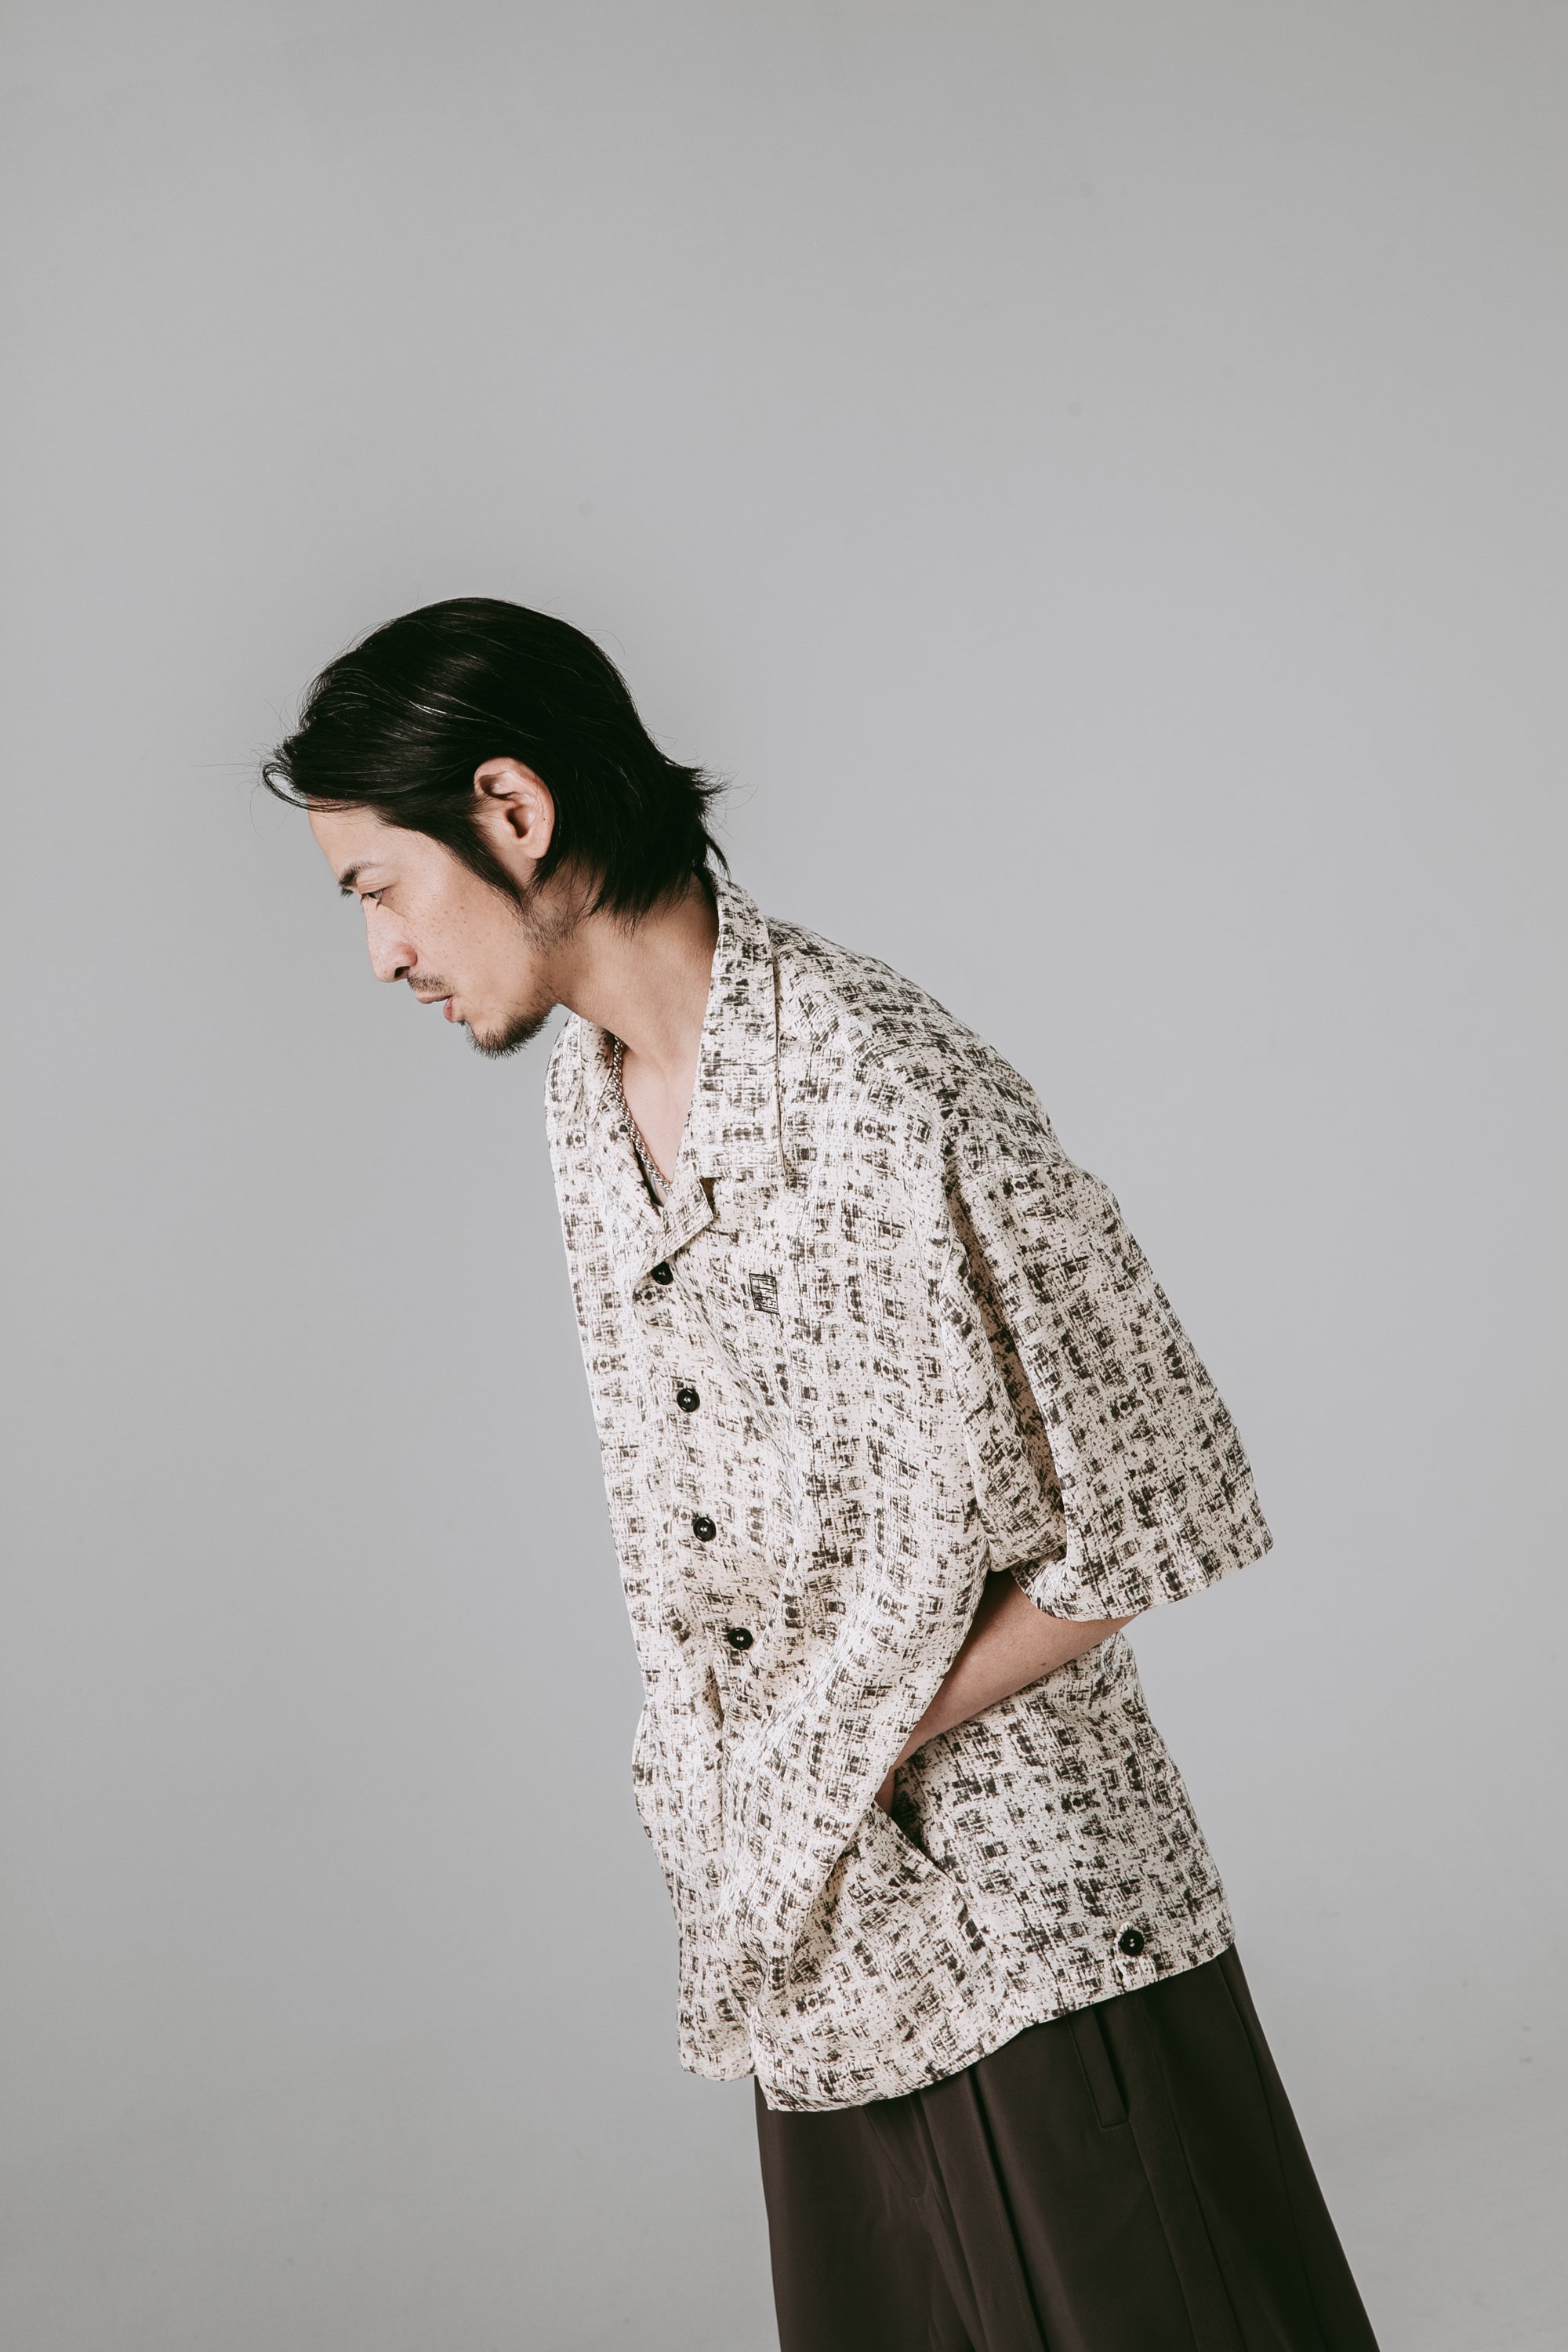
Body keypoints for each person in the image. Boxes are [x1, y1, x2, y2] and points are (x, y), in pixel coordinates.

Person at [267, 596, 1380, 2351]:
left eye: (378, 887)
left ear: (512, 812)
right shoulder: (588, 1103)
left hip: (1031, 1920)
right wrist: (755, 1791)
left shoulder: (888, 1086)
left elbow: (1165, 1495)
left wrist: (851, 1735)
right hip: (813, 1942)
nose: (381, 952)